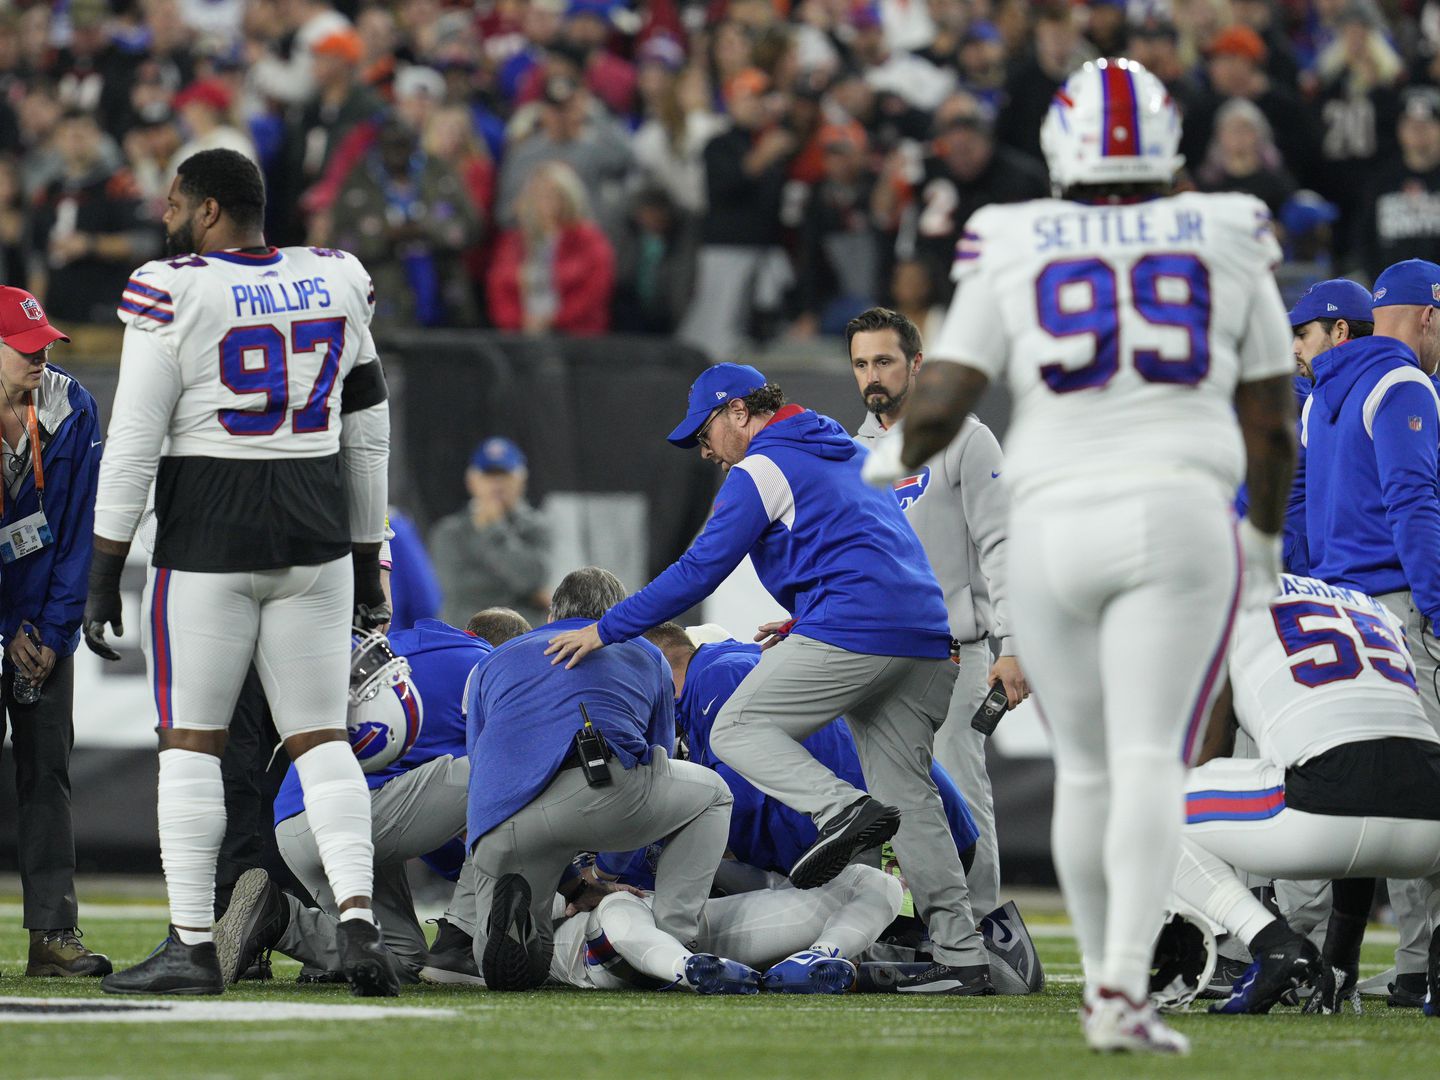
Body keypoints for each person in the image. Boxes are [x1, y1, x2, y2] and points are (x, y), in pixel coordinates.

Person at [870, 59, 1296, 1051]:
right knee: (1152, 759)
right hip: (1179, 507)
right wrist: (1265, 543)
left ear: (1060, 146)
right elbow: (1271, 423)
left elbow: (944, 396)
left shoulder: (1015, 233)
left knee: (1090, 772)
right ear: (1168, 144)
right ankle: (1117, 991)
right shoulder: (1227, 227)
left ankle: (1110, 990)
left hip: (1055, 512)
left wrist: (873, 466)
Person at [546, 365, 994, 996]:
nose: (705, 452)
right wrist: (811, 615)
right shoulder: (837, 446)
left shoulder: (764, 464)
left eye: (704, 434)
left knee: (736, 726)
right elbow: (882, 542)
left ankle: (843, 810)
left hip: (860, 629)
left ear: (737, 413)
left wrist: (608, 628)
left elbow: (701, 568)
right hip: (925, 637)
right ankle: (961, 953)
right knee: (911, 799)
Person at [82, 148, 394, 997]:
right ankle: (359, 926)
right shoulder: (336, 276)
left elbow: (135, 441)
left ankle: (192, 945)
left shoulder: (173, 289)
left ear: (211, 209)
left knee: (191, 743)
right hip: (319, 532)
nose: (166, 215)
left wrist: (104, 567)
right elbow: (368, 433)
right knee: (321, 738)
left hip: (212, 537)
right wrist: (370, 560)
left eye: (177, 201)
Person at [1176, 574, 1440, 1017]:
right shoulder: (1368, 606)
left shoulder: (1222, 597)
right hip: (1428, 825)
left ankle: (1271, 944)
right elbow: (1377, 752)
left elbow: (1211, 748)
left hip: (1321, 814)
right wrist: (1341, 956)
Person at [465, 566, 735, 991]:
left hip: (502, 823)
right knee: (713, 795)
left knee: (516, 950)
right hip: (597, 794)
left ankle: (507, 950)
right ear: (619, 617)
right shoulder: (642, 651)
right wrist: (609, 870)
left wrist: (573, 885)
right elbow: (656, 756)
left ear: (551, 617)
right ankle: (673, 937)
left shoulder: (492, 661)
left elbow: (478, 762)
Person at [847, 306, 1023, 921]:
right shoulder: (854, 450)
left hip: (957, 647)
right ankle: (898, 921)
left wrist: (1014, 646)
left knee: (961, 792)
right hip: (879, 656)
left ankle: (977, 930)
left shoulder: (967, 439)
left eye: (884, 361)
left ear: (916, 364)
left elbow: (1002, 545)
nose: (873, 376)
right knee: (887, 798)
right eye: (862, 363)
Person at [1302, 257, 1440, 1003]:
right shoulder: (1404, 382)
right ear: (1427, 316)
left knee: (1376, 794)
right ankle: (1420, 961)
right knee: (1425, 785)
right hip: (1395, 609)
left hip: (1335, 614)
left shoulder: (1318, 394)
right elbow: (1414, 501)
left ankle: (1362, 963)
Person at [214, 618, 495, 985]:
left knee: (401, 960)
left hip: (295, 823)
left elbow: (426, 818)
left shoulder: (397, 646)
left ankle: (278, 916)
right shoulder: (488, 670)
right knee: (501, 772)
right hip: (353, 815)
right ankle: (461, 937)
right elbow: (498, 793)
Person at [0, 286, 110, 978]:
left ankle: (53, 935)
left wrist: (49, 633)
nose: (41, 357)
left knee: (48, 774)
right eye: (24, 347)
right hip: (10, 618)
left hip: (41, 623)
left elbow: (76, 538)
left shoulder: (72, 410)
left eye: (45, 345)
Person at [548, 863, 902, 994]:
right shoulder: (541, 801)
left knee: (872, 883)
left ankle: (817, 958)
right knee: (618, 907)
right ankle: (688, 971)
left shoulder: (678, 774)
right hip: (593, 932)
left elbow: (728, 868)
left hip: (693, 918)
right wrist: (580, 888)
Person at [428, 436, 551, 629]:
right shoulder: (449, 531)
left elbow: (533, 577)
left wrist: (493, 528)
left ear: (521, 479)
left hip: (520, 639)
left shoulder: (537, 526)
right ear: (472, 480)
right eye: (489, 475)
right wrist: (526, 594)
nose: (497, 484)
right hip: (465, 636)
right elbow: (456, 588)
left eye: (505, 474)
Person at [486, 161, 615, 335]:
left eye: (554, 194)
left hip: (575, 334)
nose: (546, 201)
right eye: (539, 194)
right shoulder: (514, 241)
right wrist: (517, 321)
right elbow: (498, 286)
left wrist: (553, 320)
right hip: (521, 335)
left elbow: (594, 291)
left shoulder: (588, 239)